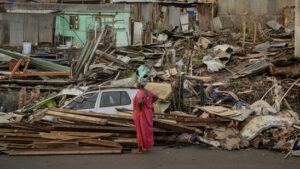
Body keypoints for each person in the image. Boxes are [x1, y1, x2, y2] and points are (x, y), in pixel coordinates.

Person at [132, 77, 158, 154]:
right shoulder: (148, 91)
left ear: (140, 84)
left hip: (140, 113)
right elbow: (156, 97)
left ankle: (140, 149)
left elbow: (140, 101)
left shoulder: (140, 92)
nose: (136, 84)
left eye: (137, 83)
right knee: (146, 130)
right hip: (148, 112)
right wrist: (149, 103)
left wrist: (139, 107)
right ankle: (145, 146)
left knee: (139, 131)